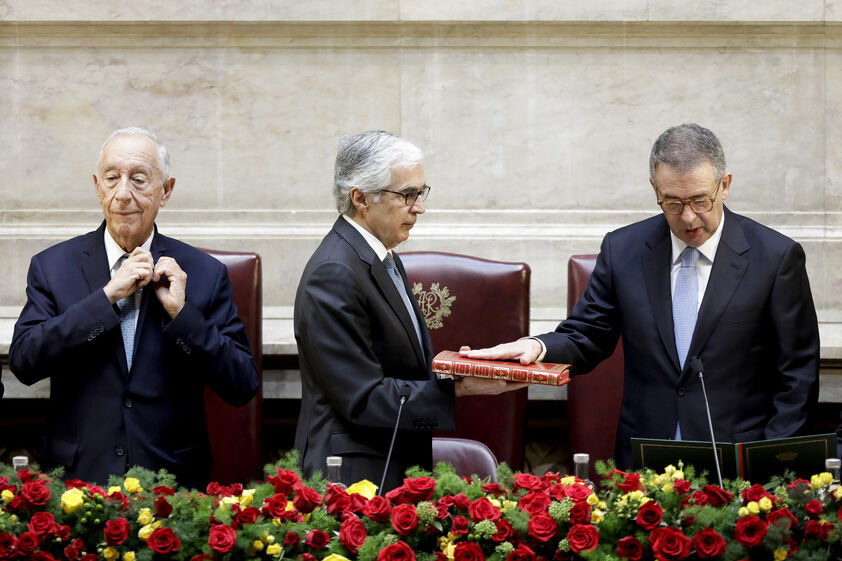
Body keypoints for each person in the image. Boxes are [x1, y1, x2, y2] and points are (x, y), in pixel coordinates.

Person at [463, 123, 820, 468]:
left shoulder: (775, 258)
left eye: (700, 200)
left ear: (724, 186)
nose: (689, 218)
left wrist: (769, 466)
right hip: (646, 459)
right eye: (673, 203)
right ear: (655, 190)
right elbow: (587, 334)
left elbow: (797, 374)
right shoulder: (624, 250)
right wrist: (536, 347)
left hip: (738, 459)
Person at [9, 127, 259, 488]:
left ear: (166, 190)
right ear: (98, 186)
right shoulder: (52, 266)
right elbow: (24, 362)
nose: (123, 193)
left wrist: (183, 316)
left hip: (172, 486)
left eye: (139, 179)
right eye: (112, 178)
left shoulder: (204, 273)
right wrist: (106, 297)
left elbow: (241, 385)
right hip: (77, 484)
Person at [294, 130, 524, 491]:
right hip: (351, 479)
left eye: (421, 192)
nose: (419, 206)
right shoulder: (334, 272)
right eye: (407, 195)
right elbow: (363, 397)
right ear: (361, 198)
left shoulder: (382, 257)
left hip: (389, 463)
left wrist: (456, 372)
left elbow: (401, 369)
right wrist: (459, 388)